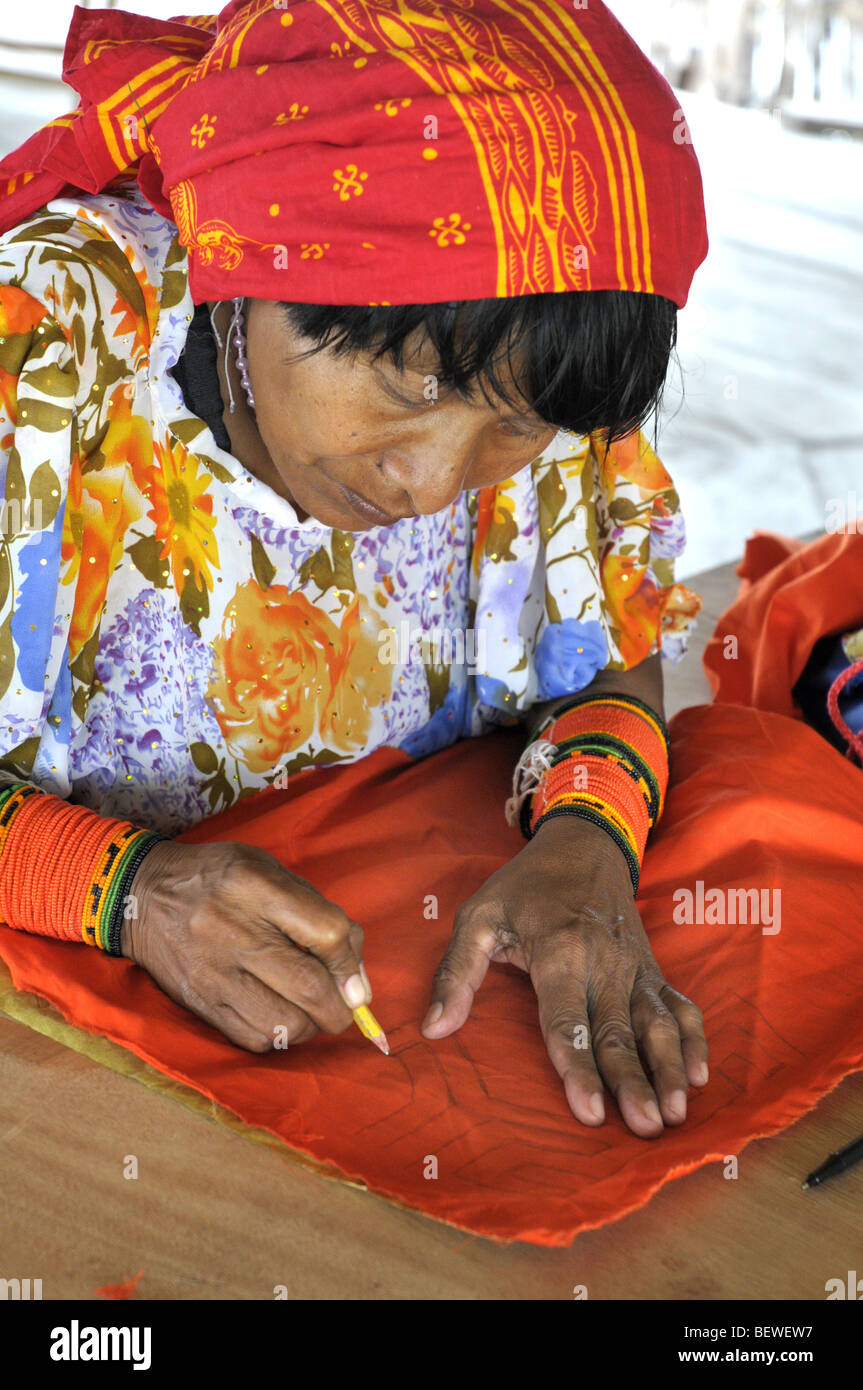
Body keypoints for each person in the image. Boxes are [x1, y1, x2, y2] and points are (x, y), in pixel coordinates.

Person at [0, 0, 709, 1139]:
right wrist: (129, 892)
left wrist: (588, 837)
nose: (431, 485)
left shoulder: (536, 369)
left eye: (509, 432)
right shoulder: (42, 353)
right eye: (401, 389)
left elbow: (605, 652)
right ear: (245, 265)